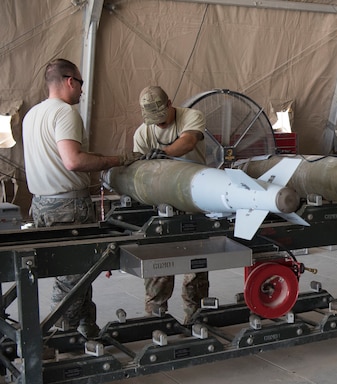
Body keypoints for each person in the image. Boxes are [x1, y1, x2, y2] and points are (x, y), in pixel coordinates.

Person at [22, 58, 139, 338]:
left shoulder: (32, 115)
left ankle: (87, 330)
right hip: (68, 205)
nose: (82, 91)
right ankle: (54, 339)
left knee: (82, 269)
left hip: (41, 204)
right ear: (70, 81)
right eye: (81, 84)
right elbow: (73, 161)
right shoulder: (64, 113)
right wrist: (115, 160)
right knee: (73, 277)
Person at [133, 85, 209, 323]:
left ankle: (195, 317)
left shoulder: (191, 117)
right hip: (161, 207)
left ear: (169, 104)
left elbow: (188, 142)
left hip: (194, 204)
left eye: (162, 117)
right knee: (159, 265)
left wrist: (163, 153)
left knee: (196, 266)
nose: (159, 124)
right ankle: (155, 320)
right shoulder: (142, 133)